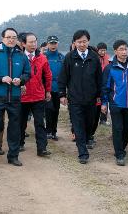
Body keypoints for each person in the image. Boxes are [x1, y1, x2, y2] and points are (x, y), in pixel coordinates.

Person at [0, 28, 31, 166]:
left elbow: (28, 74)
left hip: (15, 97)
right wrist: (0, 78)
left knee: (15, 128)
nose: (11, 40)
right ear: (2, 38)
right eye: (8, 37)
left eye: (14, 37)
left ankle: (13, 156)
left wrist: (20, 80)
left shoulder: (21, 56)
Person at [58, 30, 102, 164]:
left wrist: (100, 95)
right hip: (75, 98)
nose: (82, 44)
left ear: (88, 41)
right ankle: (82, 152)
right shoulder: (70, 57)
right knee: (77, 125)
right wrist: (62, 94)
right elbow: (63, 77)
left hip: (91, 98)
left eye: (84, 41)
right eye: (79, 42)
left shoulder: (94, 57)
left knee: (89, 123)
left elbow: (99, 78)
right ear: (74, 43)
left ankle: (87, 137)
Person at [101, 40, 128, 166]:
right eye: (121, 49)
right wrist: (104, 103)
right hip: (115, 103)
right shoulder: (110, 68)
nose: (124, 52)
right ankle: (119, 154)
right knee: (118, 128)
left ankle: (121, 148)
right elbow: (105, 87)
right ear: (115, 51)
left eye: (125, 49)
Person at [19, 33, 52, 157]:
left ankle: (42, 148)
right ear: (23, 44)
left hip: (38, 96)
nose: (33, 44)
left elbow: (48, 75)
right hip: (23, 96)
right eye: (30, 42)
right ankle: (19, 143)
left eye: (35, 42)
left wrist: (48, 91)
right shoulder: (19, 57)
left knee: (39, 123)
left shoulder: (42, 58)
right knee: (21, 122)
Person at [44, 35, 65, 141]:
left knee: (56, 110)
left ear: (57, 44)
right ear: (47, 44)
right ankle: (48, 131)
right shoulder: (43, 56)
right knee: (48, 109)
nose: (53, 45)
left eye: (55, 43)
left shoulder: (61, 57)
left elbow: (65, 74)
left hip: (58, 88)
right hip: (47, 88)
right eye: (51, 43)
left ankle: (54, 132)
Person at [96, 42, 110, 126]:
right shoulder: (95, 58)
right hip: (97, 82)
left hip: (105, 82)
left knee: (105, 100)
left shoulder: (108, 58)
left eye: (104, 50)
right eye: (101, 50)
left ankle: (103, 119)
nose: (103, 52)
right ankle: (96, 117)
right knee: (97, 101)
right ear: (97, 50)